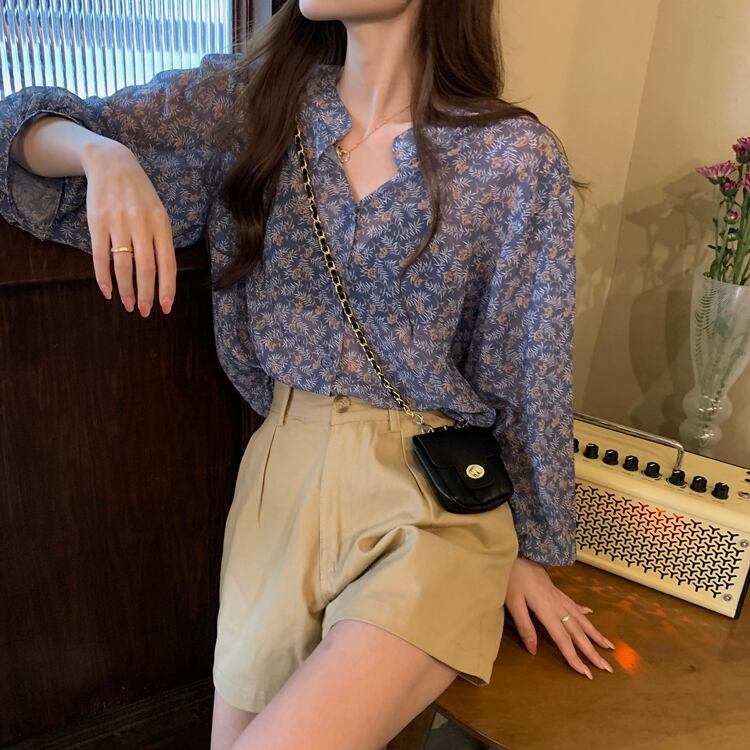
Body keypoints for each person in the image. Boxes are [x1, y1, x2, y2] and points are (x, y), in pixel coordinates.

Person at [0, 1, 615, 748]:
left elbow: (526, 370)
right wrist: (105, 155)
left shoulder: (512, 156)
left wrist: (528, 549)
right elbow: (16, 129)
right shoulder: (251, 106)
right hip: (278, 490)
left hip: (430, 502)